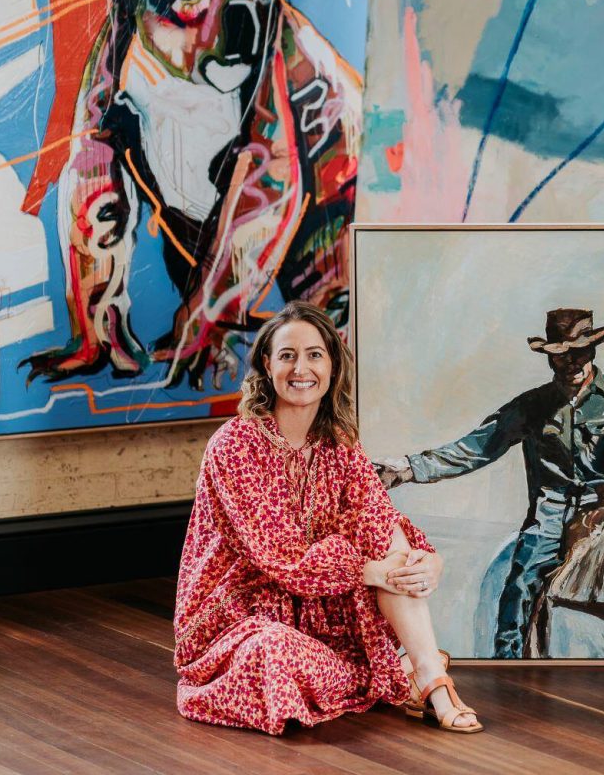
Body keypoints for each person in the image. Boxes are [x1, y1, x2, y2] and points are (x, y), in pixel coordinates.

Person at [173, 301, 482, 734]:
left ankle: (431, 678)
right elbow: (283, 559)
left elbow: (379, 516)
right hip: (241, 614)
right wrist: (369, 571)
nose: (301, 369)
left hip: (319, 609)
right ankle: (394, 675)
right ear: (267, 365)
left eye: (314, 355)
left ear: (333, 366)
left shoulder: (339, 441)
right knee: (274, 655)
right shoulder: (235, 445)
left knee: (379, 533)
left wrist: (429, 559)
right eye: (287, 355)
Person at [375, 307, 604, 659]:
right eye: (562, 355)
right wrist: (408, 468)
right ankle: (508, 663)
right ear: (550, 357)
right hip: (552, 515)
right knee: (521, 581)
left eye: (580, 352)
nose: (572, 362)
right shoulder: (533, 406)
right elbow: (477, 447)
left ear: (593, 351)